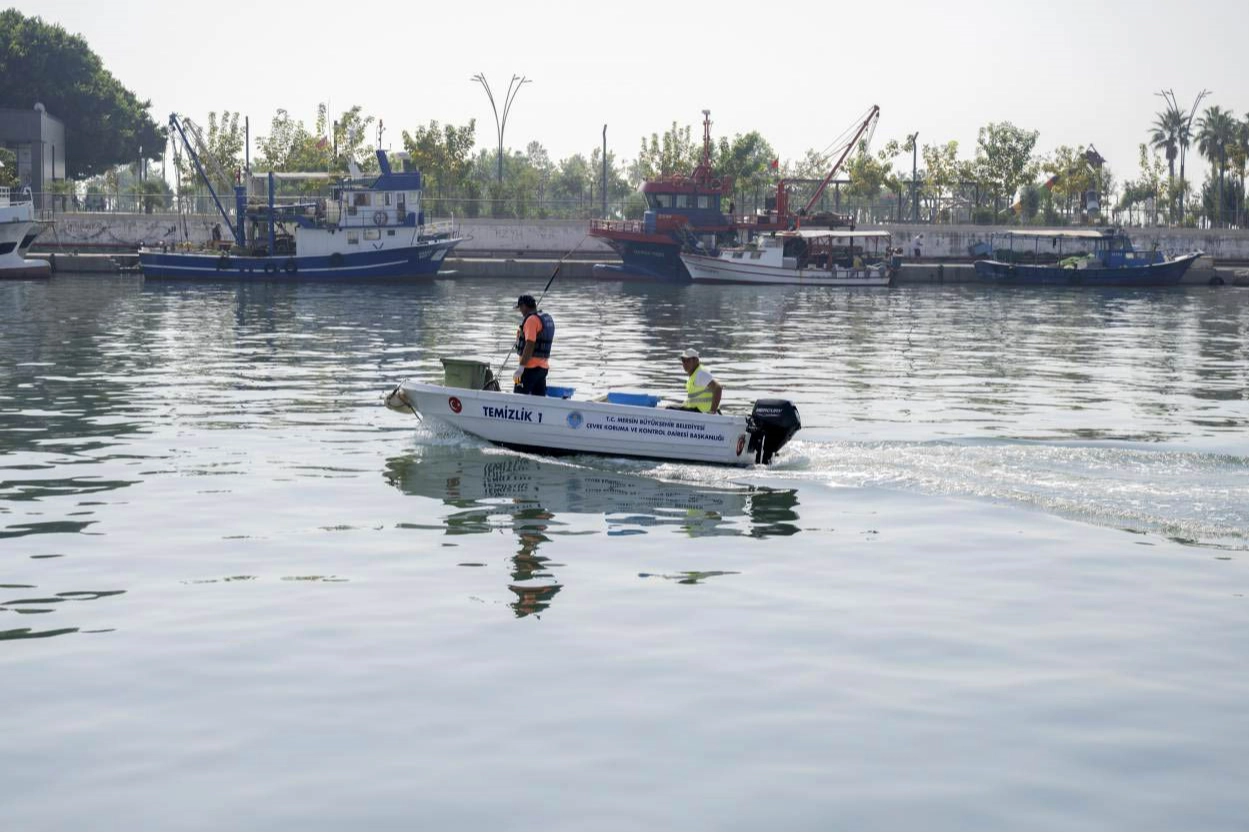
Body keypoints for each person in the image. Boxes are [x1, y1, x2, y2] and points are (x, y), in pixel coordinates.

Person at [512, 294, 554, 396]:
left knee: (517, 397)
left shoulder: (531, 320)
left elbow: (530, 344)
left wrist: (521, 367)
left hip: (529, 369)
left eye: (520, 308)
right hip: (543, 369)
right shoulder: (545, 318)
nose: (521, 312)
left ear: (524, 306)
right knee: (538, 399)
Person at [675, 348, 722, 413]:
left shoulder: (701, 373)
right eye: (683, 360)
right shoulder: (692, 376)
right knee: (670, 408)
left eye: (688, 360)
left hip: (703, 414)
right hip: (696, 412)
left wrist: (712, 413)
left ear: (696, 361)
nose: (685, 363)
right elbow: (691, 401)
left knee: (669, 408)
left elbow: (718, 388)